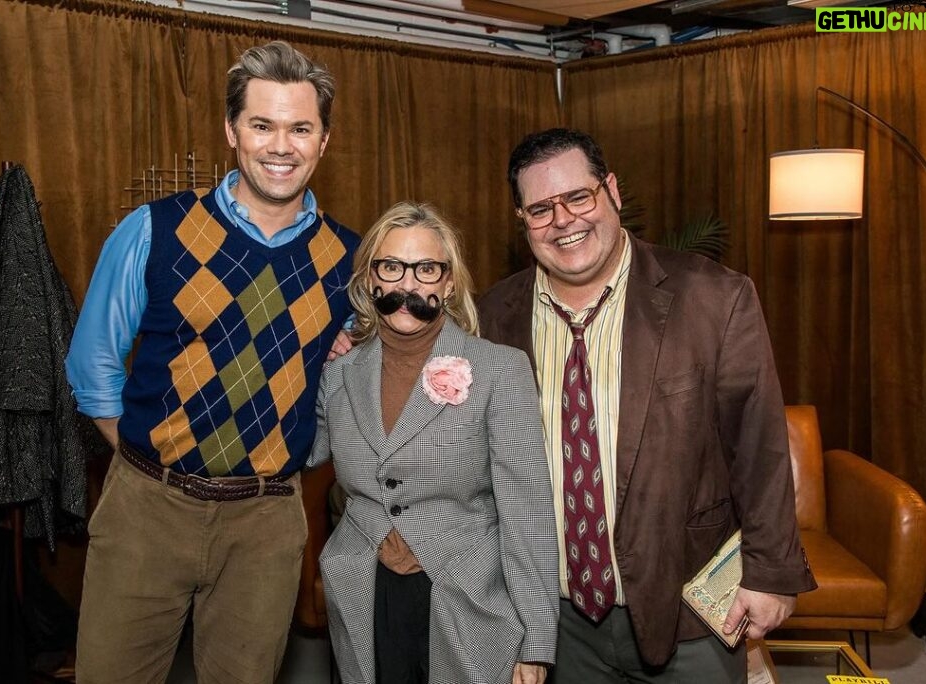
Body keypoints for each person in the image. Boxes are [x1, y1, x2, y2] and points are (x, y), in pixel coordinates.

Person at [65, 41, 360, 683]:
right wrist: (153, 465)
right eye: (262, 125)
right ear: (232, 131)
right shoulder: (155, 228)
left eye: (300, 127)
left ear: (324, 140)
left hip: (265, 521)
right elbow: (93, 368)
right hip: (149, 509)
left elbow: (353, 370)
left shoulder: (348, 260)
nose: (280, 145)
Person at [476, 128, 817, 683]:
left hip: (688, 607)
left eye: (578, 197)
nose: (563, 220)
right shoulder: (494, 315)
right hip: (558, 620)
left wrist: (772, 572)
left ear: (610, 190)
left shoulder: (714, 298)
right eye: (540, 209)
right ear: (522, 219)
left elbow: (759, 446)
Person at [310, 201, 559, 684]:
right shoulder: (339, 375)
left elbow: (527, 513)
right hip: (364, 595)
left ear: (448, 283)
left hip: (466, 602)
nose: (407, 285)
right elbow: (301, 454)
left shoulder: (499, 369)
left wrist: (537, 640)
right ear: (369, 280)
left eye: (426, 269)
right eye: (391, 267)